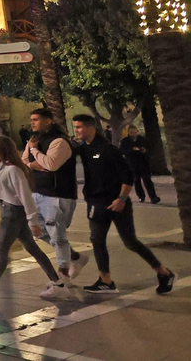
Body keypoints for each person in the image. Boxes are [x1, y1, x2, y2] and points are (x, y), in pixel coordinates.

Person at [72, 114, 175, 296]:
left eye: (79, 127)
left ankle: (163, 272)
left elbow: (127, 176)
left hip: (117, 203)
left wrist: (122, 199)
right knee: (97, 240)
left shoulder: (108, 149)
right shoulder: (83, 149)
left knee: (130, 242)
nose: (76, 130)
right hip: (96, 202)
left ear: (91, 128)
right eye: (75, 127)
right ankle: (106, 281)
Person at [0, 135, 69, 299]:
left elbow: (25, 196)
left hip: (12, 213)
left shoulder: (14, 169)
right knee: (32, 248)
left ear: (2, 149)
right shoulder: (2, 167)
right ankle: (58, 283)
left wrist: (33, 221)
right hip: (8, 210)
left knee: (1, 248)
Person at [24, 108, 86, 279]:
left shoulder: (59, 142)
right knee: (38, 231)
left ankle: (62, 278)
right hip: (38, 192)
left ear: (48, 121)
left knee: (58, 237)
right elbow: (24, 163)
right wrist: (34, 164)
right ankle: (74, 257)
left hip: (58, 195)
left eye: (36, 119)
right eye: (32, 119)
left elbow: (51, 165)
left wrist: (35, 153)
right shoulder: (34, 141)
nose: (32, 122)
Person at [118, 125, 159, 203]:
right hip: (132, 163)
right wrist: (131, 149)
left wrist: (144, 151)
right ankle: (141, 196)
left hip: (143, 162)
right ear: (128, 132)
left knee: (147, 180)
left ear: (137, 132)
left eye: (134, 132)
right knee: (137, 180)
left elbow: (149, 148)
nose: (133, 134)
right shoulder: (124, 141)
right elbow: (121, 151)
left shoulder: (142, 139)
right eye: (131, 132)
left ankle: (153, 197)